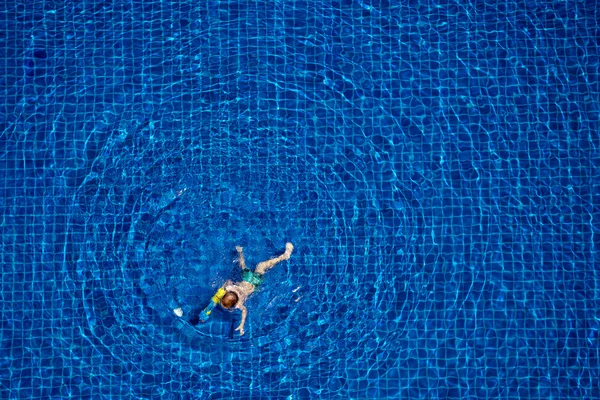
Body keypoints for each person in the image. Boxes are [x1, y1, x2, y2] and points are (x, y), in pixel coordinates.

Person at [174, 243, 294, 336]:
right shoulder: (230, 289)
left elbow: (244, 311)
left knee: (257, 267)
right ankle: (241, 253)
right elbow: (228, 284)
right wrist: (223, 288)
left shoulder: (238, 303)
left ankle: (284, 256)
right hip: (248, 281)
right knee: (257, 266)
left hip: (253, 282)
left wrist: (242, 325)